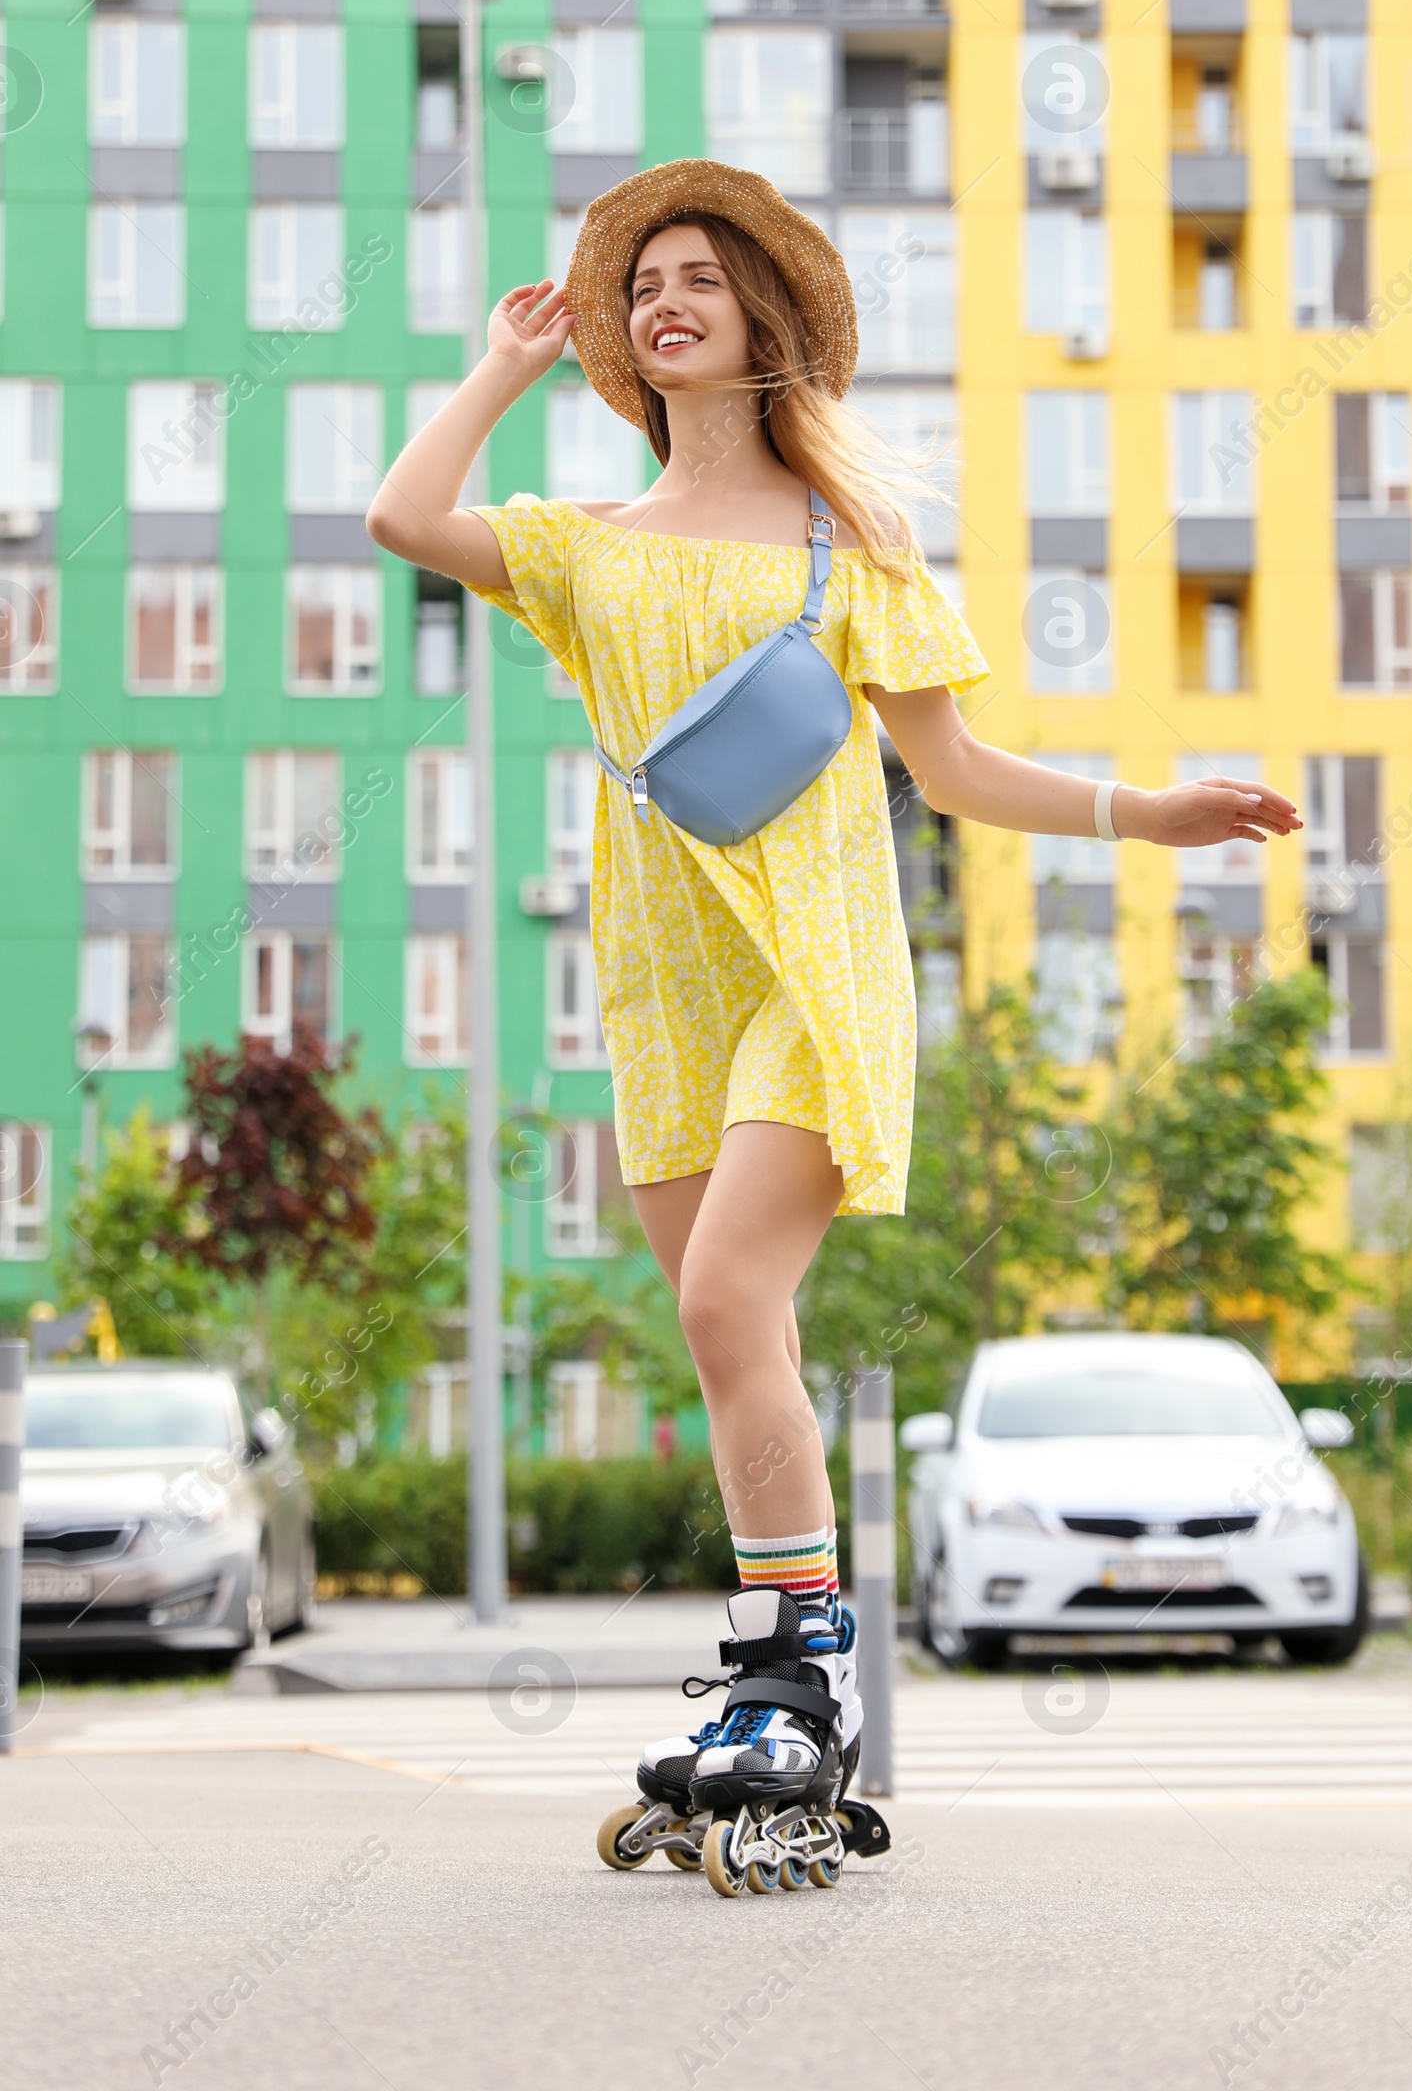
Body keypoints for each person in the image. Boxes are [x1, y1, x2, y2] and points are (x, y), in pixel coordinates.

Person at [368, 159, 1302, 1856]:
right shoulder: (587, 550)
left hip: (820, 966)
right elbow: (406, 520)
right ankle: (775, 1672)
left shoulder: (848, 538)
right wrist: (501, 371)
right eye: (643, 283)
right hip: (663, 981)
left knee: (730, 1294)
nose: (669, 298)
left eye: (702, 278)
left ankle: (804, 1672)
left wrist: (1150, 814)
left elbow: (956, 770)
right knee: (737, 1341)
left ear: (762, 319)